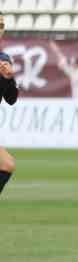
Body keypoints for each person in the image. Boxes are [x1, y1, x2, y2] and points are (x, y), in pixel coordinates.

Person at [0, 46, 16, 200]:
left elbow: (11, 99)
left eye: (2, 25)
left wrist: (8, 78)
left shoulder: (4, 58)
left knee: (7, 164)